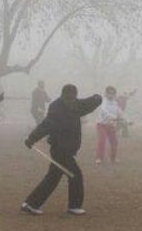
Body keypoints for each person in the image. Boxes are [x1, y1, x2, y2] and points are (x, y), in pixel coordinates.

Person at [21, 84, 102, 216]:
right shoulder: (56, 108)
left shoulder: (76, 105)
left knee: (52, 178)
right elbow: (45, 126)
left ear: (75, 97)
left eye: (72, 99)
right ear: (62, 96)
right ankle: (74, 206)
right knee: (75, 175)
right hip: (60, 150)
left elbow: (89, 103)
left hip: (68, 149)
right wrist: (31, 138)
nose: (70, 102)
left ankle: (31, 204)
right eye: (67, 99)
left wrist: (98, 98)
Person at [95, 86, 125, 164]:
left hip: (111, 126)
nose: (111, 95)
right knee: (102, 141)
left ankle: (113, 158)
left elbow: (119, 112)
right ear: (106, 94)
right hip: (101, 125)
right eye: (109, 93)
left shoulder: (115, 103)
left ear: (115, 94)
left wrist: (126, 120)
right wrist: (115, 118)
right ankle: (99, 158)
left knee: (115, 142)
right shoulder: (103, 103)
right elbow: (105, 112)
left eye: (113, 93)